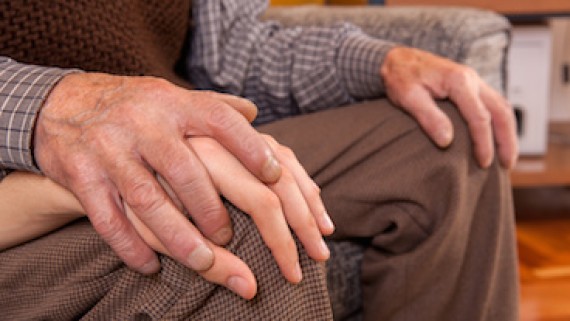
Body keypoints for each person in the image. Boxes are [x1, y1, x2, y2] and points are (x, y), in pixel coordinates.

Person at [0, 0, 519, 320]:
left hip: (164, 131)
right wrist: (61, 108)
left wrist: (379, 61)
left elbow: (233, 52)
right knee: (236, 209)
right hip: (17, 197)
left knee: (443, 145)